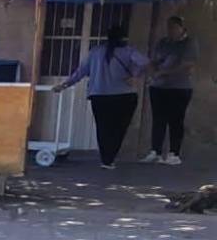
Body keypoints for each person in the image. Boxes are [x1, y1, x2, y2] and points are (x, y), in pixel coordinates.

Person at [54, 24, 146, 168]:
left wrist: (64, 85)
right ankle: (110, 157)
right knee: (119, 128)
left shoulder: (95, 52)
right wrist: (135, 76)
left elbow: (81, 72)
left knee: (103, 128)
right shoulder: (129, 51)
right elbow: (145, 63)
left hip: (99, 95)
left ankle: (106, 158)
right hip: (124, 96)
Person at [141, 14, 196, 165]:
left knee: (176, 120)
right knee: (158, 119)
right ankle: (155, 151)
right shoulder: (163, 42)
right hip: (159, 86)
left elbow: (186, 65)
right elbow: (154, 60)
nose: (170, 30)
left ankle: (174, 153)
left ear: (181, 28)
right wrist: (152, 72)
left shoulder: (188, 43)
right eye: (168, 27)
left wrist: (163, 72)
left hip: (179, 87)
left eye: (173, 27)